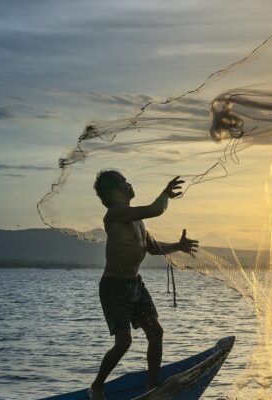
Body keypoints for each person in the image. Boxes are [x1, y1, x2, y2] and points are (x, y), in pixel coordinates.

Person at [88, 170, 199, 400]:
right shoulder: (116, 214)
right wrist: (166, 193)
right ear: (116, 192)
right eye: (124, 182)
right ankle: (97, 386)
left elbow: (154, 248)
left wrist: (178, 246)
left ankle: (151, 387)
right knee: (124, 342)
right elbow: (156, 209)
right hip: (115, 287)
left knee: (156, 333)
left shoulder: (136, 220)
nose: (130, 184)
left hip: (135, 284)